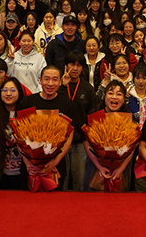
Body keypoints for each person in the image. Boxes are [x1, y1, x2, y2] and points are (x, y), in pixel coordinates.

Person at [16, 66, 82, 190]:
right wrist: (27, 163)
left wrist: (55, 161)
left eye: (55, 79)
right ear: (40, 80)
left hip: (56, 165)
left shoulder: (68, 105)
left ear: (60, 81)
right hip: (30, 167)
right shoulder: (27, 103)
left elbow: (69, 137)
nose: (50, 83)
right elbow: (19, 135)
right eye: (47, 79)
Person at [83, 80, 135, 192]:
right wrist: (100, 167)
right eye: (110, 93)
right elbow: (87, 143)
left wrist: (120, 168)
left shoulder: (129, 119)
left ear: (124, 98)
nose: (114, 97)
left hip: (121, 169)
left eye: (119, 94)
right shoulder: (95, 116)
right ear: (105, 96)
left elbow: (132, 147)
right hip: (95, 166)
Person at [59, 52, 99, 191]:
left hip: (80, 140)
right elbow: (57, 106)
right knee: (62, 179)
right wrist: (63, 87)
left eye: (78, 65)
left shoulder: (87, 89)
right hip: (60, 140)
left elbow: (92, 114)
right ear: (66, 66)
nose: (74, 68)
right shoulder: (58, 86)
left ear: (83, 68)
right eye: (71, 64)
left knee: (80, 181)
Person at [0, 78, 28, 190]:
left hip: (22, 171)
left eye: (13, 90)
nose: (8, 93)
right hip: (0, 172)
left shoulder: (26, 115)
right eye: (4, 90)